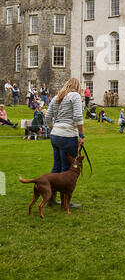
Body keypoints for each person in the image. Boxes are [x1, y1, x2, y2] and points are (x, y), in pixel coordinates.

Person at [45, 77, 84, 208]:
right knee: (67, 169)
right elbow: (78, 117)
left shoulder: (57, 97)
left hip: (55, 135)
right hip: (67, 136)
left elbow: (47, 117)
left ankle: (50, 198)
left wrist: (54, 128)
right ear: (78, 86)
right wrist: (82, 135)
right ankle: (65, 203)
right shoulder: (75, 96)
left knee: (56, 167)